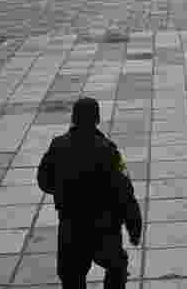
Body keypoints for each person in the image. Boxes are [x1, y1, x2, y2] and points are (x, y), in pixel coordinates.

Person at [37, 97, 143, 289]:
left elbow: (44, 181)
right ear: (97, 119)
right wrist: (134, 226)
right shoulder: (108, 150)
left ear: (73, 118)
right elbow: (125, 191)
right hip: (104, 226)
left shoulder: (58, 146)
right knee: (116, 267)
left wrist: (64, 190)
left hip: (72, 225)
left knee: (72, 276)